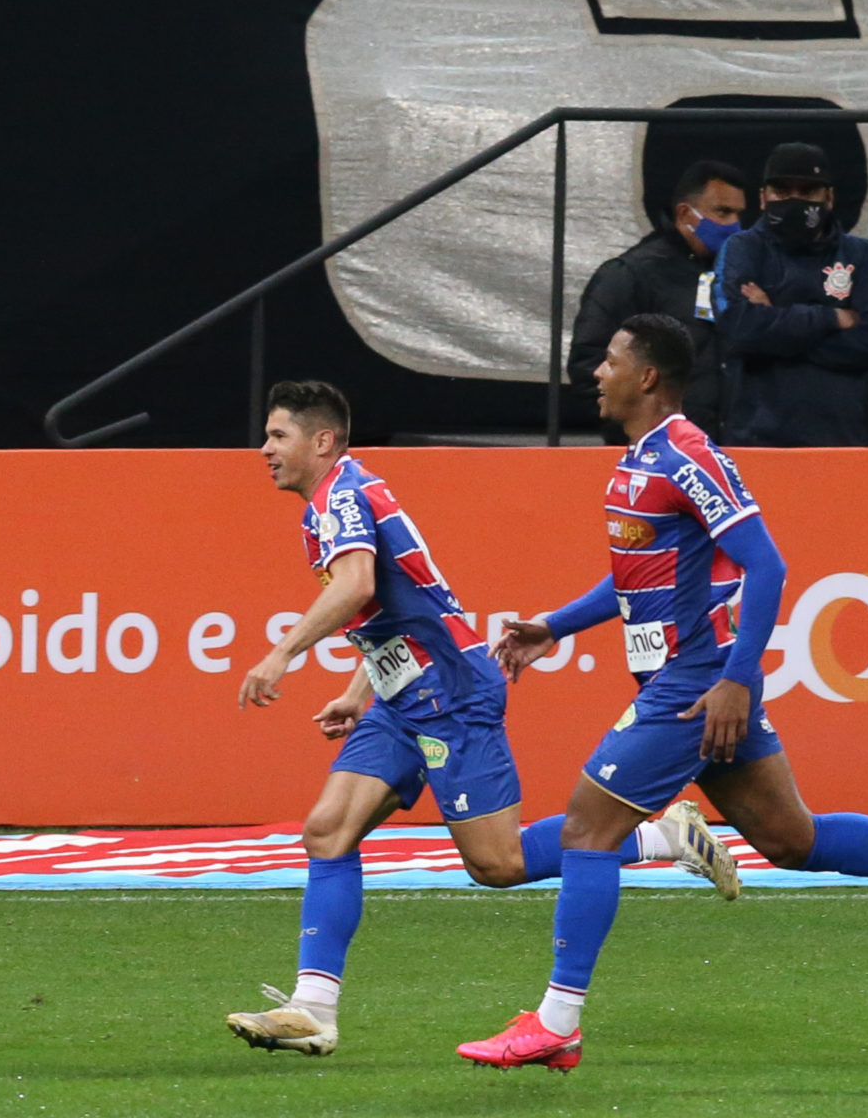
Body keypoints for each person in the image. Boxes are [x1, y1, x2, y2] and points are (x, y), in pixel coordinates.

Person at [455, 316, 868, 1074]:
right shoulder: (641, 459)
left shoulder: (689, 454)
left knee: (588, 831)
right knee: (792, 838)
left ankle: (558, 1022)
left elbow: (768, 566)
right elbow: (640, 573)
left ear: (649, 377)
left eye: (612, 360)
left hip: (695, 684)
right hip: (690, 679)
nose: (597, 371)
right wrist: (556, 626)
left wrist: (733, 680)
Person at [224, 380, 738, 1058]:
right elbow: (397, 606)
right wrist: (360, 688)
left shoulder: (343, 496)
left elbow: (358, 587)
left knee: (497, 863)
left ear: (321, 440)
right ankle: (314, 1009)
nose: (265, 449)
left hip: (451, 694)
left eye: (278, 435)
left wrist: (282, 653)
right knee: (327, 830)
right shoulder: (335, 496)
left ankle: (663, 835)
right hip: (402, 696)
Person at [715, 142, 868, 446]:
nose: (794, 201)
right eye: (782, 191)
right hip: (756, 444)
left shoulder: (863, 255)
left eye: (807, 191)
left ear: (829, 198)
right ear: (763, 198)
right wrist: (831, 316)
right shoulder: (743, 248)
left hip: (843, 443)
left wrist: (775, 321)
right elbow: (738, 331)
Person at [569, 159, 748, 439]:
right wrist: (643, 433)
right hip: (655, 457)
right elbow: (588, 368)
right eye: (723, 212)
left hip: (730, 449)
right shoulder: (631, 274)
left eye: (738, 215)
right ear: (685, 213)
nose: (734, 225)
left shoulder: (737, 275)